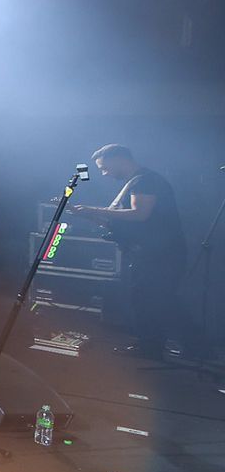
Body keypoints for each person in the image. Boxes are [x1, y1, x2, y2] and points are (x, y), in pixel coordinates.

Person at [73, 144, 197, 364]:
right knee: (147, 300)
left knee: (159, 301)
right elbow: (119, 221)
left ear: (119, 159)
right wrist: (86, 215)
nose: (104, 173)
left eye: (104, 167)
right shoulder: (133, 183)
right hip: (149, 254)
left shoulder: (145, 181)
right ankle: (152, 346)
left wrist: (94, 210)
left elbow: (140, 214)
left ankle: (187, 347)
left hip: (161, 255)